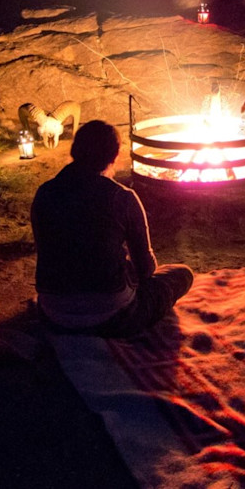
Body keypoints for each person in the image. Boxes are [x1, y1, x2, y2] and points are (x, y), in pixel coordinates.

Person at [30, 120, 194, 338]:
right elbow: (146, 269)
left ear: (74, 151)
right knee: (182, 274)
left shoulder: (44, 193)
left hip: (52, 315)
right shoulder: (122, 197)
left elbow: (47, 252)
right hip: (114, 318)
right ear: (114, 156)